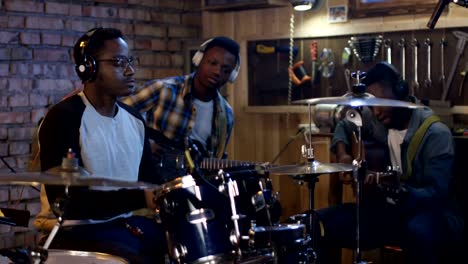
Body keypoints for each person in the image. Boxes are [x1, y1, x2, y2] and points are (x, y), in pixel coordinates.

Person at [33, 27, 166, 264]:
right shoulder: (64, 117)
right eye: (118, 62)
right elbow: (67, 203)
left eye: (130, 61)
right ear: (89, 68)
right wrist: (139, 199)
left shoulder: (134, 119)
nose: (130, 70)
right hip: (75, 230)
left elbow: (150, 180)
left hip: (124, 224)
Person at [315, 61, 464, 263]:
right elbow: (344, 124)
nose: (375, 112)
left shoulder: (435, 134)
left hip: (431, 214)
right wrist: (343, 155)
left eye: (381, 103)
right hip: (389, 213)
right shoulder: (380, 118)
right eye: (373, 106)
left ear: (401, 93)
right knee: (318, 223)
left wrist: (401, 191)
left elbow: (436, 194)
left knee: (418, 232)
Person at [121, 36, 239, 182]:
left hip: (190, 191)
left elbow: (216, 159)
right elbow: (117, 116)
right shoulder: (163, 89)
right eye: (213, 63)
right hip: (150, 184)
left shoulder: (226, 115)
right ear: (199, 60)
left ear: (232, 76)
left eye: (226, 70)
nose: (217, 72)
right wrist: (145, 144)